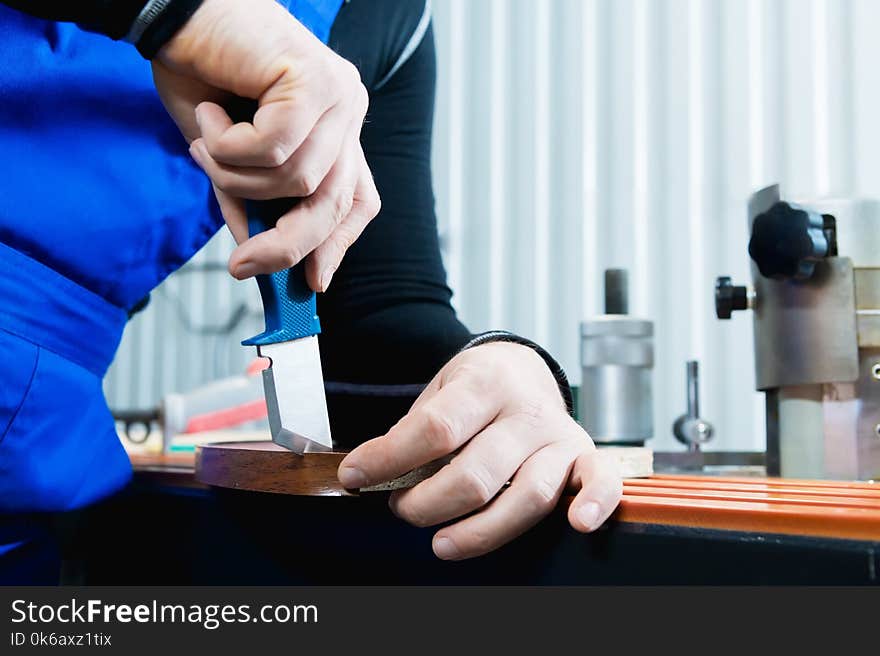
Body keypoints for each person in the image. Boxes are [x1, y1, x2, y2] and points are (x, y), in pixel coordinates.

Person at [0, 0, 622, 582]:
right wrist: (176, 13)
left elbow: (382, 319)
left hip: (34, 455)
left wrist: (508, 372)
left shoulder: (382, 16)